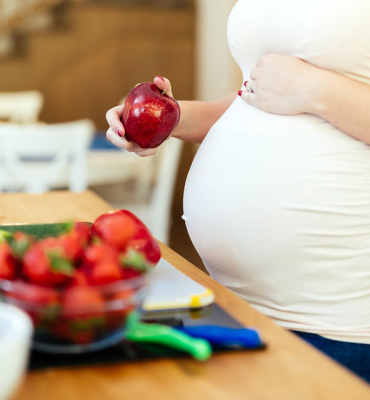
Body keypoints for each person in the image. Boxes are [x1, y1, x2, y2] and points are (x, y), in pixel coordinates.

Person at [106, 0, 370, 382]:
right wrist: (168, 116)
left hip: (334, 324)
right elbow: (256, 98)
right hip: (232, 302)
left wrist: (317, 89)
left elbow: (302, 91)